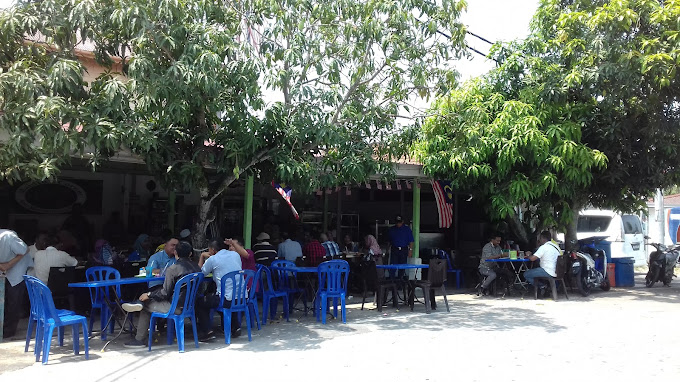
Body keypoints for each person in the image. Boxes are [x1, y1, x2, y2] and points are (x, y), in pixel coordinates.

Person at [122, 241, 200, 347]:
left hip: (174, 307)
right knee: (149, 299)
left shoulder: (172, 269)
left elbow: (164, 294)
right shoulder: (196, 268)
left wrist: (149, 295)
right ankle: (139, 302)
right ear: (190, 254)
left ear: (176, 252)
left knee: (145, 306)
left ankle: (139, 339)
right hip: (190, 306)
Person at [195, 239, 247, 341]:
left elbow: (199, 274)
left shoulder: (213, 259)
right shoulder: (235, 255)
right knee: (218, 297)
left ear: (212, 250)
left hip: (227, 300)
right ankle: (235, 326)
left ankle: (207, 331)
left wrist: (202, 256)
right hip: (242, 298)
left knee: (199, 302)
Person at [0, 228, 32, 338]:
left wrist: (8, 265)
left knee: (13, 299)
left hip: (18, 266)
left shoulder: (7, 236)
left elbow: (25, 250)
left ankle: (8, 331)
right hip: (3, 266)